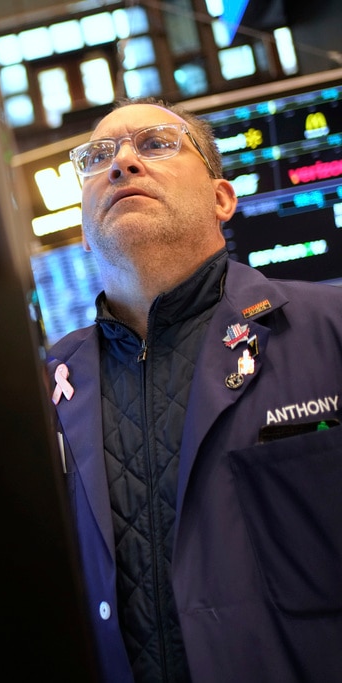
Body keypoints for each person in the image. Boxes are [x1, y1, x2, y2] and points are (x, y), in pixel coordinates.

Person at [46, 97, 342, 682]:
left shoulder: (330, 329)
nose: (121, 164)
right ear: (83, 231)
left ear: (221, 199)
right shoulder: (44, 392)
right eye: (98, 156)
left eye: (156, 144)